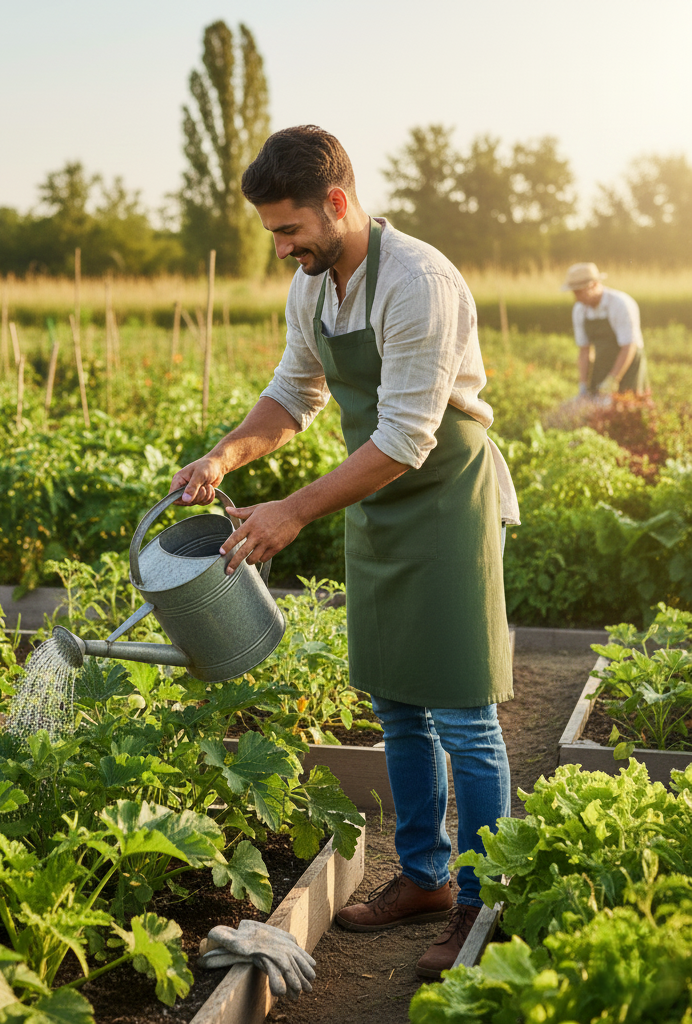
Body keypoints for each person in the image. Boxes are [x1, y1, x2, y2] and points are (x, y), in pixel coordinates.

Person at [170, 125, 518, 978]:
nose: (283, 250)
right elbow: (293, 393)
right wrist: (224, 457)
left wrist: (291, 509)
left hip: (438, 496)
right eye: (273, 236)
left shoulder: (419, 280)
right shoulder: (316, 288)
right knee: (396, 699)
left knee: (464, 710)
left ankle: (480, 904)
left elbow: (404, 437)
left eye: (290, 231)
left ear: (337, 202)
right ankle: (426, 879)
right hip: (373, 497)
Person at [564, 262, 649, 399]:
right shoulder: (580, 309)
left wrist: (613, 379)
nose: (576, 298)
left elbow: (629, 346)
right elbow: (585, 351)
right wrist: (583, 386)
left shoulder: (620, 304)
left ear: (594, 285)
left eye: (579, 292)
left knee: (629, 407)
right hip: (603, 363)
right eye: (574, 292)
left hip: (629, 364)